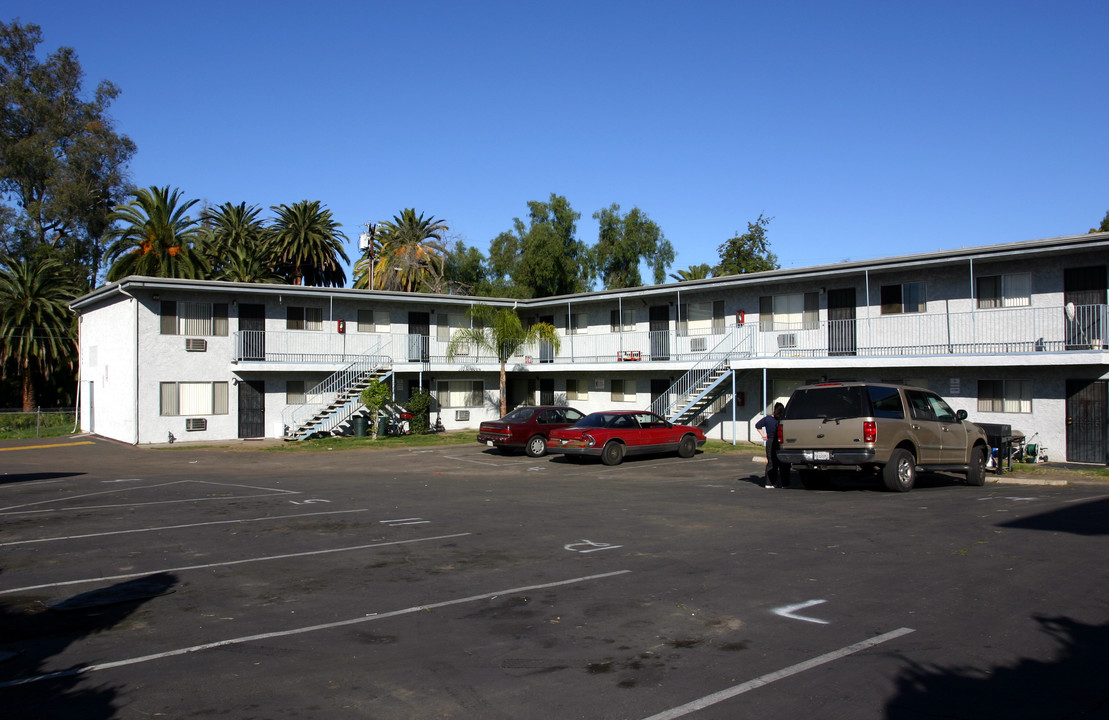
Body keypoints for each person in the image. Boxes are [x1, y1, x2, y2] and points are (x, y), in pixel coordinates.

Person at [755, 402, 787, 488]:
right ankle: (785, 483)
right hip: (782, 441)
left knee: (771, 462)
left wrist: (763, 435)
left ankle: (769, 483)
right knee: (784, 463)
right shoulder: (783, 419)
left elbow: (758, 425)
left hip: (770, 441)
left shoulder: (768, 419)